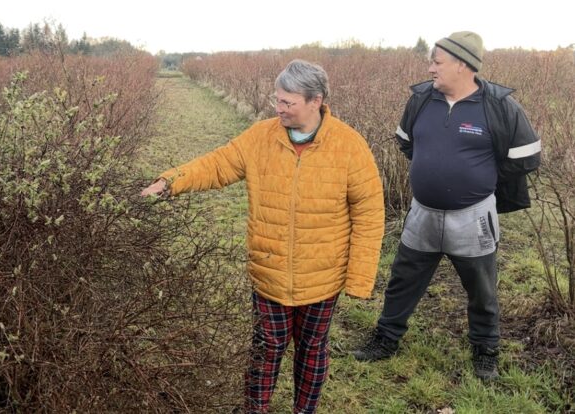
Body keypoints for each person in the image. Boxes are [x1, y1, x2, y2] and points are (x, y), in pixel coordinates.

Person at [141, 59, 385, 413]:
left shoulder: (349, 146)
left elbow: (369, 214)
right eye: (277, 99)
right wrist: (170, 181)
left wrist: (359, 278)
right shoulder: (260, 137)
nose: (279, 108)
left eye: (288, 102)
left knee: (312, 347)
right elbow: (218, 164)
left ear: (316, 101)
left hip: (322, 276)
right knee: (266, 346)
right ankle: (256, 409)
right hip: (269, 271)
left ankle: (304, 409)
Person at [351, 31, 541, 381]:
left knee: (482, 290)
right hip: (422, 213)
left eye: (437, 62)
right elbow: (405, 142)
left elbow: (527, 157)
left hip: (473, 219)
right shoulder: (422, 99)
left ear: (462, 64)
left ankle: (485, 352)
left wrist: (482, 178)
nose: (430, 68)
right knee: (402, 281)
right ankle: (385, 339)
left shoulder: (500, 107)